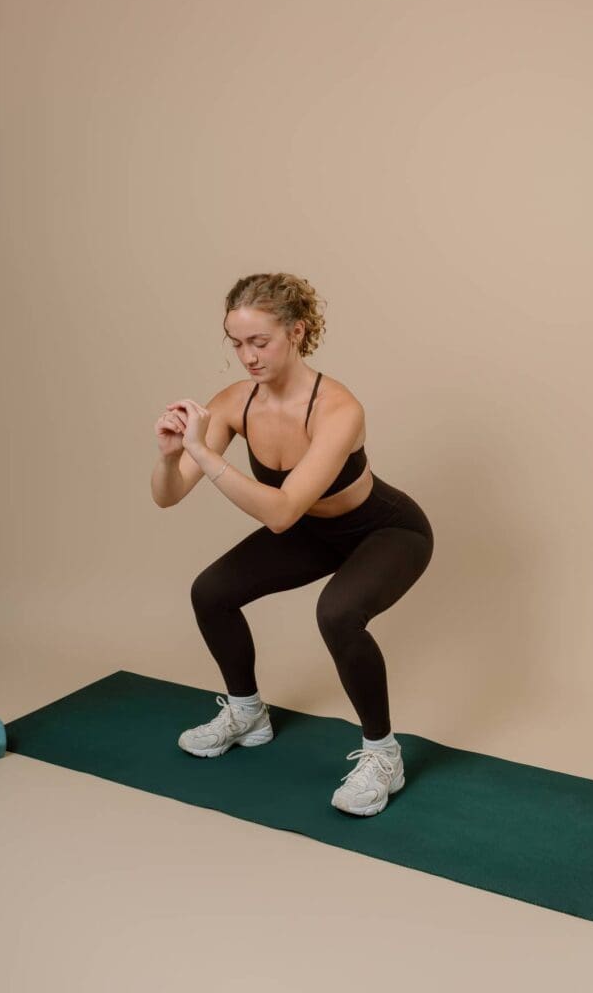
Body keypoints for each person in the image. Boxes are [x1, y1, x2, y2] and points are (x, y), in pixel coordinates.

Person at [151, 272, 434, 817]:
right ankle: (247, 713)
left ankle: (382, 755)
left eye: (260, 342)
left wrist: (206, 455)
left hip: (385, 531)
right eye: (237, 343)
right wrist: (170, 455)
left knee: (339, 614)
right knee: (210, 592)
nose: (247, 356)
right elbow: (167, 497)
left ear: (297, 332)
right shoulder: (234, 402)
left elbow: (281, 514)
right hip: (314, 533)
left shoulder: (339, 409)